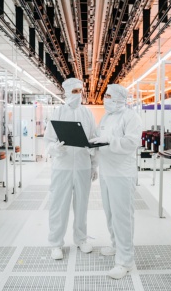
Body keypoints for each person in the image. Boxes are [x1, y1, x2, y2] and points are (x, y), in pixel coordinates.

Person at [90, 84, 142, 279]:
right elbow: (97, 138)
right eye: (106, 95)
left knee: (123, 217)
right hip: (106, 171)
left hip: (122, 173)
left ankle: (125, 261)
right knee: (110, 213)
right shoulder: (106, 117)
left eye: (109, 96)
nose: (106, 99)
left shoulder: (131, 117)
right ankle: (115, 245)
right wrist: (93, 158)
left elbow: (130, 143)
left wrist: (109, 139)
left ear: (120, 98)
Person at [44, 78, 98, 260]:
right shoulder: (57, 112)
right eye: (74, 91)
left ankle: (81, 239)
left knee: (81, 205)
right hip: (63, 167)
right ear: (66, 92)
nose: (78, 95)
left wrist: (93, 162)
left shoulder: (87, 113)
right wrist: (55, 149)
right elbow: (48, 141)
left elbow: (94, 138)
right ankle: (56, 243)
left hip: (83, 166)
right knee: (59, 205)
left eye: (80, 91)